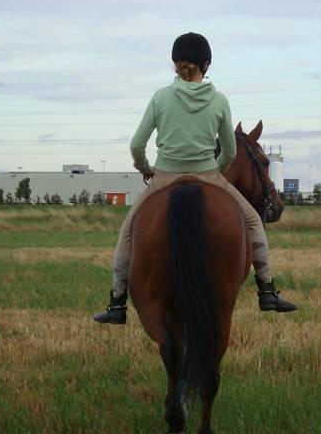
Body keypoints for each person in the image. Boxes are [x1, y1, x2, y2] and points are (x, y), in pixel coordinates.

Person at [93, 32, 297, 325]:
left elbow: (136, 145)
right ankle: (266, 290)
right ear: (207, 63)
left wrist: (146, 168)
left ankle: (117, 303)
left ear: (175, 64)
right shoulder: (219, 100)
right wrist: (214, 169)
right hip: (208, 175)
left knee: (127, 233)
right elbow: (229, 150)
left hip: (164, 176)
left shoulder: (160, 97)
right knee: (253, 223)